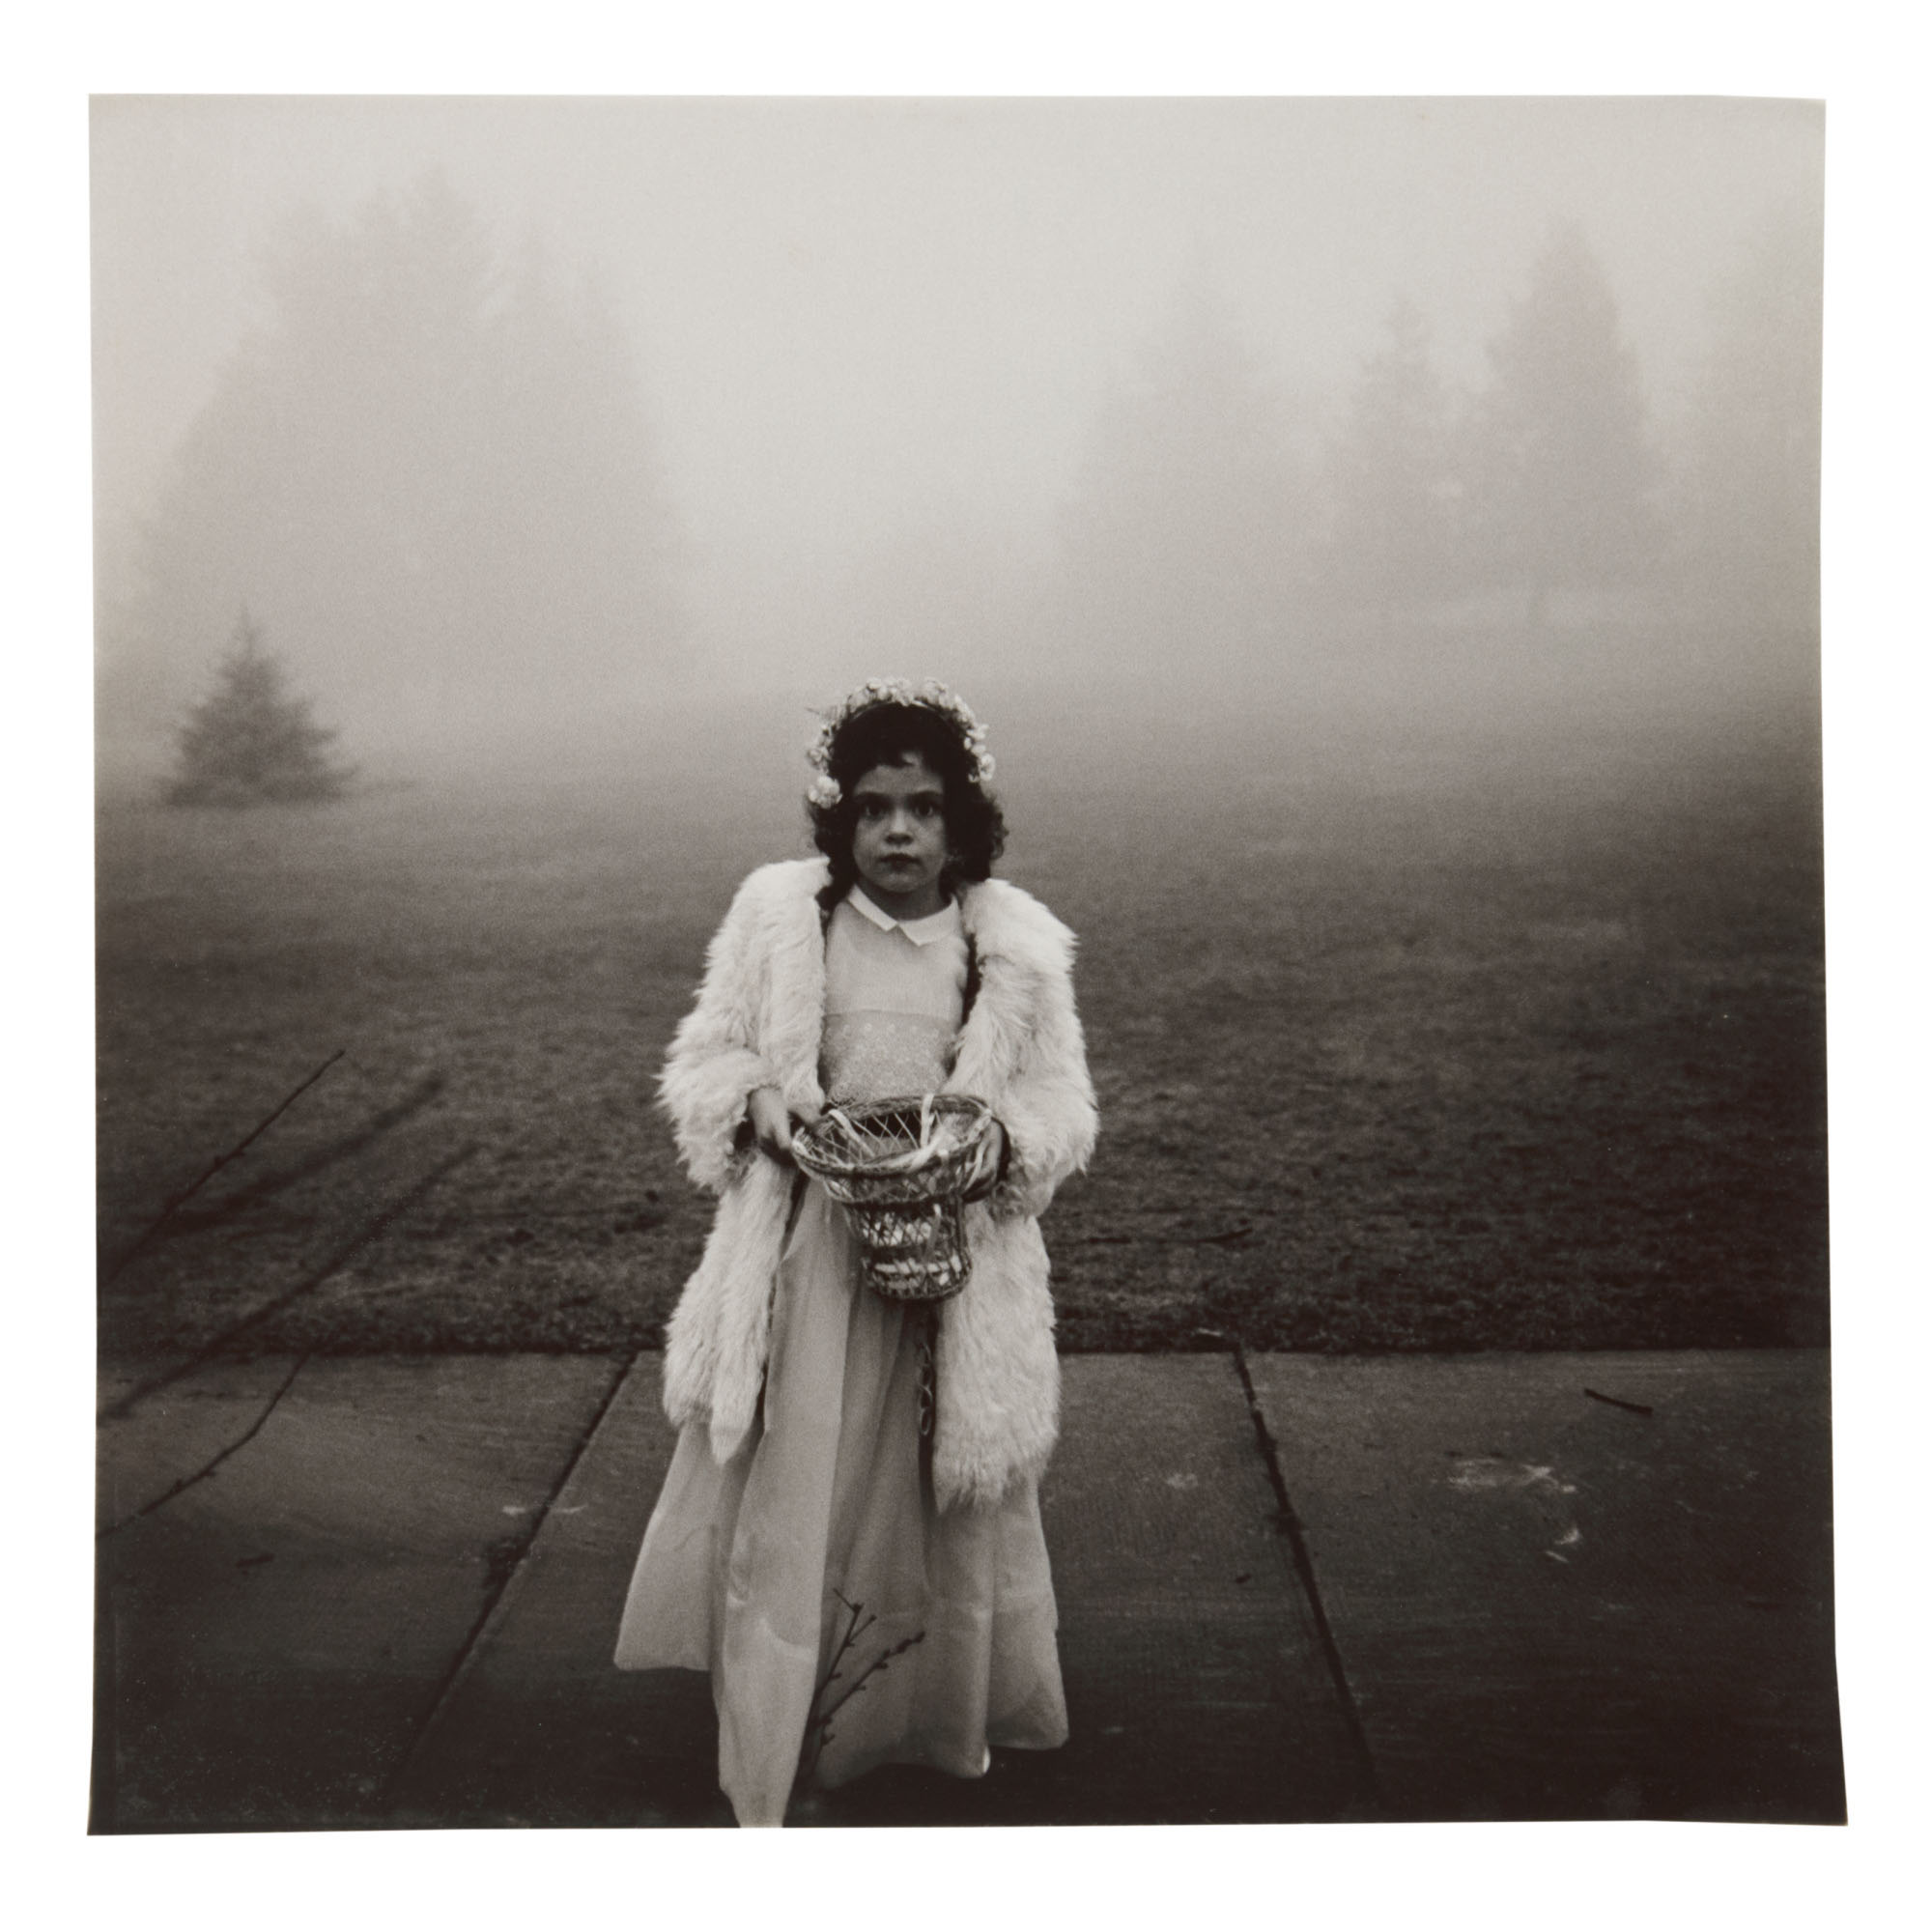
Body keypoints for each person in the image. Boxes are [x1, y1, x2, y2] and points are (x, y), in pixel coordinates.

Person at [614, 677, 1098, 1827]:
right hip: (808, 1266)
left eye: (922, 807)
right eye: (873, 806)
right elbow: (706, 1057)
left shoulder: (1008, 950)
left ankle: (915, 1714)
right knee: (804, 1479)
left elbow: (1061, 1101)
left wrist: (991, 1145)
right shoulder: (784, 922)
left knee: (927, 1490)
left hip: (951, 1270)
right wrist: (761, 1105)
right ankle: (791, 1728)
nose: (896, 831)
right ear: (837, 819)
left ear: (960, 822)